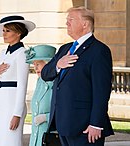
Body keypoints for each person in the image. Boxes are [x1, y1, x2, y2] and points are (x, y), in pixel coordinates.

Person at [41, 6, 114, 146]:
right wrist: (58, 65)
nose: (66, 24)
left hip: (85, 127)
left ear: (85, 24)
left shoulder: (99, 50)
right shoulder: (64, 49)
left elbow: (102, 91)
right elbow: (45, 74)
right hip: (63, 124)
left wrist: (96, 124)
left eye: (70, 20)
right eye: (66, 20)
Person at [0, 15, 35, 146]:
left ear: (18, 33)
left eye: (7, 31)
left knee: (12, 141)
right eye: (3, 31)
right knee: (0, 140)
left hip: (13, 105)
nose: (3, 34)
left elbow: (22, 86)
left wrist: (17, 114)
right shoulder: (3, 52)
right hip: (1, 104)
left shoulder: (22, 53)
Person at [25, 45, 56, 146]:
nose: (35, 68)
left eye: (38, 64)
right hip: (36, 138)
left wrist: (46, 117)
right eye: (34, 64)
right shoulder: (40, 81)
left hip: (50, 138)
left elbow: (65, 110)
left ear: (48, 64)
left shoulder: (57, 83)